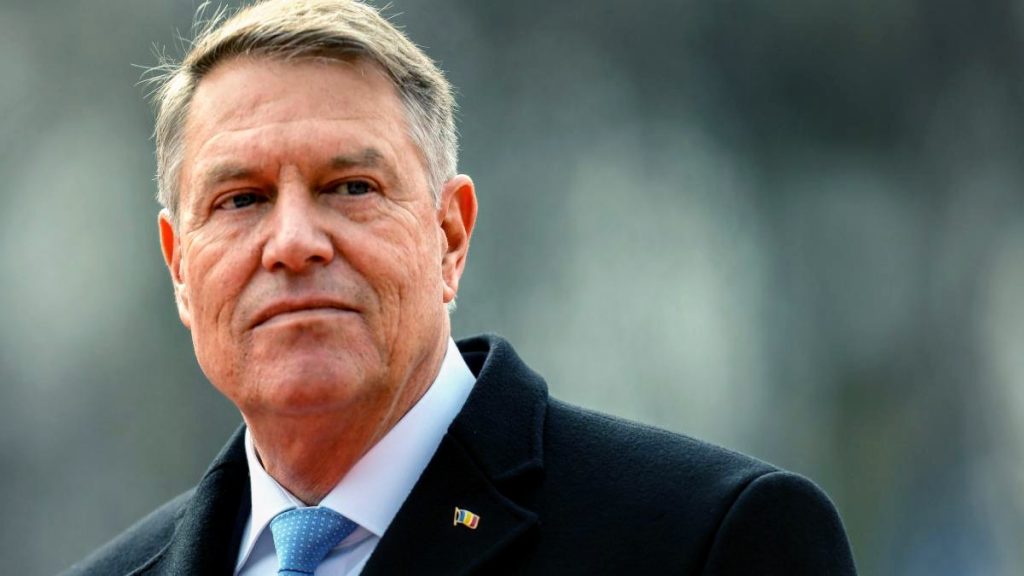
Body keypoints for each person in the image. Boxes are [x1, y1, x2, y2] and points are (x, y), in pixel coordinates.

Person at [64, 0, 857, 574]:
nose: (295, 242)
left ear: (449, 236)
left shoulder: (710, 540)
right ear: (179, 266)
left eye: (351, 187)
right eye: (241, 200)